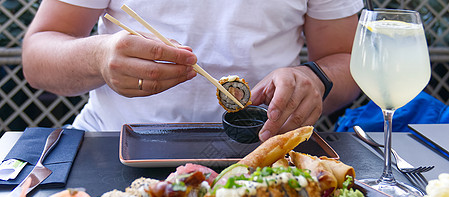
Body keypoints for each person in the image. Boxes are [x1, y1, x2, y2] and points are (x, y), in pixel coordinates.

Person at [22, 0, 364, 141]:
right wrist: (97, 57)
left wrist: (314, 79)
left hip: (262, 152)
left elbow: (349, 58)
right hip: (114, 145)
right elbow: (37, 58)